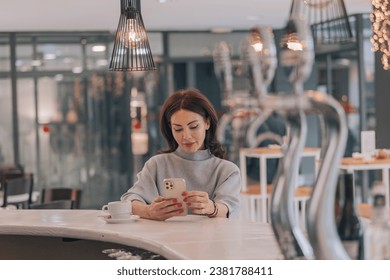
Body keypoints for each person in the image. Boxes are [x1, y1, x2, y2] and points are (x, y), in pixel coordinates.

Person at [121, 88, 241, 221]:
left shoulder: (227, 171)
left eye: (194, 126)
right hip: (162, 239)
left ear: (207, 123)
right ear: (170, 128)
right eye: (178, 129)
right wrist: (149, 211)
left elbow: (228, 209)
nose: (186, 136)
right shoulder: (157, 165)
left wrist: (211, 207)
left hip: (211, 240)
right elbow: (129, 201)